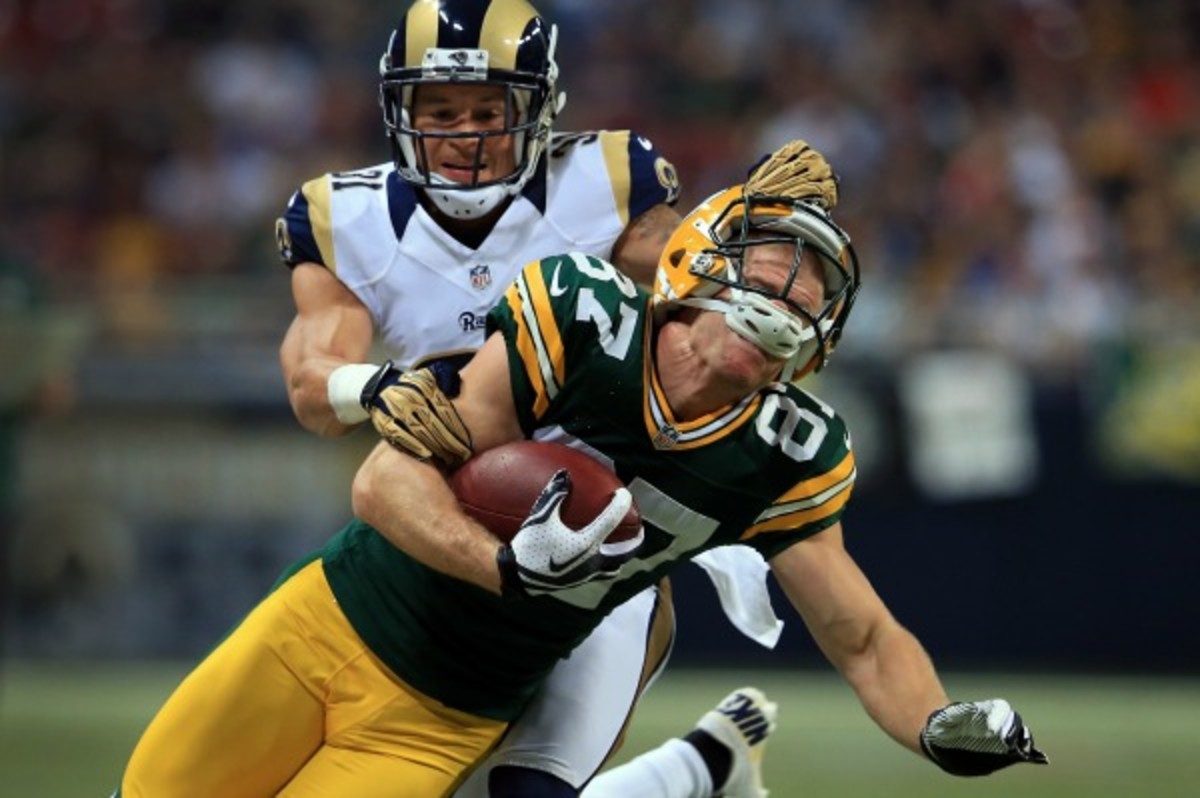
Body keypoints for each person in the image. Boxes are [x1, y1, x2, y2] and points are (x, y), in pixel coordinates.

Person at [117, 138, 1048, 797]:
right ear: (700, 262)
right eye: (773, 276)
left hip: (453, 708)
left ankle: (697, 769)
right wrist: (506, 569)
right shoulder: (584, 320)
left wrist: (930, 724)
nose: (794, 299)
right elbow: (383, 483)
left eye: (814, 294)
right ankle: (696, 773)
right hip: (330, 623)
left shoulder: (784, 455)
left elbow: (864, 636)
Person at [272, 1, 778, 796]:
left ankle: (697, 768)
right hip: (443, 538)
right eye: (440, 112)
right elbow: (310, 386)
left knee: (527, 791)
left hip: (599, 533)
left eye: (487, 110)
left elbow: (699, 297)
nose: (465, 134)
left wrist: (752, 259)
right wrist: (373, 385)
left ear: (538, 109)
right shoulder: (346, 217)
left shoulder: (605, 185)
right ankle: (701, 768)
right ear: (399, 113)